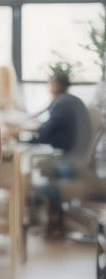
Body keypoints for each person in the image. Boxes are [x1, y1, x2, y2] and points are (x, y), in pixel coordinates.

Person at [23, 66, 93, 237]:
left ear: (54, 85)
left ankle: (42, 220)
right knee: (39, 167)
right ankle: (54, 217)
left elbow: (44, 134)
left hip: (69, 161)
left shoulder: (62, 103)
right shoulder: (71, 101)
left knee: (30, 182)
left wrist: (23, 138)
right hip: (77, 157)